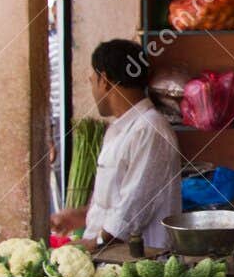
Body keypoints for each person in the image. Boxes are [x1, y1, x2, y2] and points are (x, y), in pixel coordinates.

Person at [51, 39, 181, 251]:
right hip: (109, 259)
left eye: (92, 81)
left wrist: (92, 243)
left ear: (104, 80)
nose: (93, 89)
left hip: (137, 263)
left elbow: (133, 208)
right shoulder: (118, 129)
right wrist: (79, 216)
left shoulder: (149, 129)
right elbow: (114, 202)